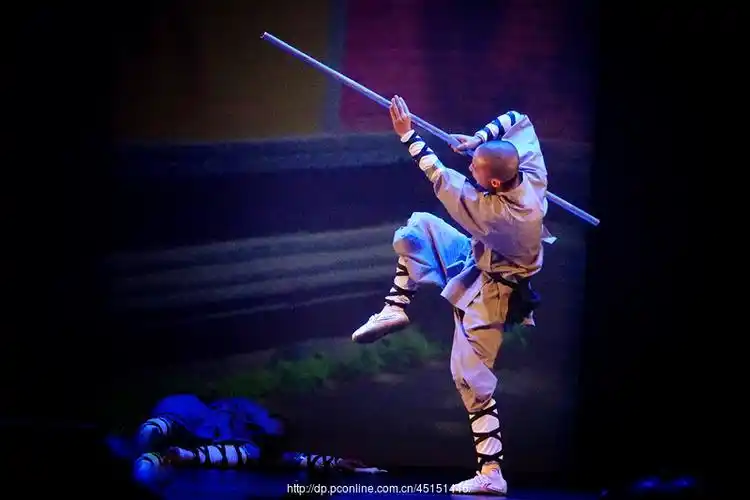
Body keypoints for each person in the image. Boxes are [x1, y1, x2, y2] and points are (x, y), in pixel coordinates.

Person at [351, 96, 553, 495]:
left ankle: (491, 472)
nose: (470, 168)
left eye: (475, 168)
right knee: (418, 229)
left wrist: (408, 135)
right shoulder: (531, 173)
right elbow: (519, 118)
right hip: (477, 259)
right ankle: (395, 307)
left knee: (470, 378)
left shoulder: (501, 216)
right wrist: (478, 139)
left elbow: (438, 175)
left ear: (494, 184)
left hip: (493, 294)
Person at [130, 394, 384, 483]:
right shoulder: (243, 410)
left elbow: (294, 458)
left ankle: (170, 455)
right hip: (202, 420)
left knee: (249, 453)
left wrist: (335, 462)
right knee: (182, 408)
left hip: (212, 442)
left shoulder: (257, 447)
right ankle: (157, 432)